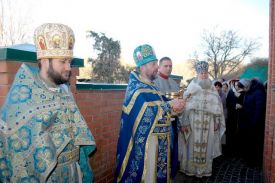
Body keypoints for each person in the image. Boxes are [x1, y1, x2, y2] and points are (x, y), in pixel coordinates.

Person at [0, 23, 96, 182]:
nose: (68, 67)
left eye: (70, 62)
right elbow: (11, 146)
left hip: (74, 173)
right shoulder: (23, 97)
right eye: (63, 61)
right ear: (44, 60)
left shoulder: (65, 90)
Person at [115, 44, 186, 182]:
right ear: (143, 66)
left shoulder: (151, 86)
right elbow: (147, 111)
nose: (157, 67)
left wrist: (176, 108)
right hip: (148, 146)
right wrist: (170, 105)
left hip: (160, 144)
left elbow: (162, 106)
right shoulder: (136, 89)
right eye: (154, 64)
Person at [178, 61, 225, 177]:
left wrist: (217, 121)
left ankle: (203, 171)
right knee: (191, 145)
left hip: (208, 122)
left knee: (207, 146)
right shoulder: (191, 87)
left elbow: (218, 106)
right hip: (193, 121)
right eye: (201, 73)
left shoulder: (212, 89)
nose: (203, 75)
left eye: (205, 73)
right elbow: (185, 105)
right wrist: (184, 121)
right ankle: (191, 169)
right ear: (197, 74)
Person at [154, 56, 181, 179]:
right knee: (161, 154)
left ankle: (171, 176)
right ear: (159, 66)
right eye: (166, 66)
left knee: (173, 151)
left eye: (170, 66)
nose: (169, 68)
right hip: (160, 125)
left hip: (174, 123)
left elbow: (179, 103)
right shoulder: (153, 82)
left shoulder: (174, 84)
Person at [238, 78, 266, 167]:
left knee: (255, 144)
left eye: (244, 89)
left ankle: (254, 162)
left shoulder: (258, 92)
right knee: (248, 143)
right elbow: (248, 106)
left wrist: (254, 124)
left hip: (254, 124)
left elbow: (259, 111)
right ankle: (248, 160)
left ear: (247, 86)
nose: (243, 91)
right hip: (247, 122)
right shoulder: (249, 91)